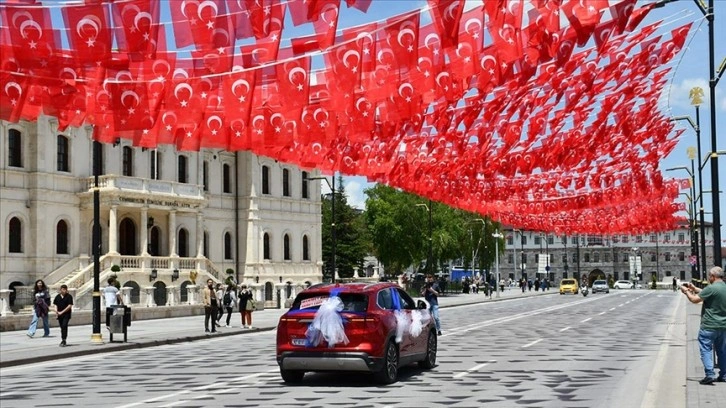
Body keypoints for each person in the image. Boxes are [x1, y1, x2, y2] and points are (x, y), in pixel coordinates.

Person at [681, 266, 726, 384]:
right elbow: (708, 294)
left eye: (709, 276)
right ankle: (724, 374)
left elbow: (695, 300)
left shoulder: (711, 288)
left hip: (709, 325)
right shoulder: (724, 287)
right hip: (723, 326)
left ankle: (710, 374)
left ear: (712, 276)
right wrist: (694, 288)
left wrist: (686, 291)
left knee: (706, 349)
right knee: (722, 351)